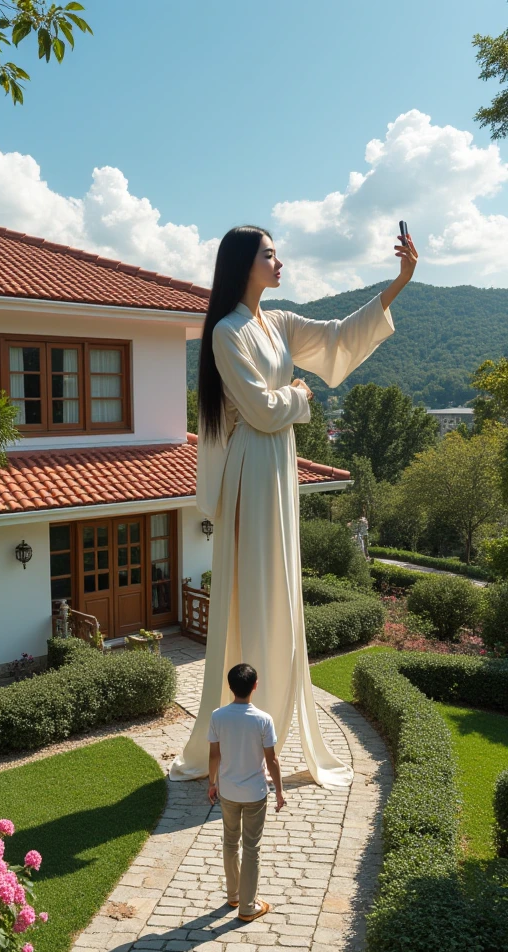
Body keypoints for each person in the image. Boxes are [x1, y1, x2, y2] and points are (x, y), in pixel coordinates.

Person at [170, 224, 418, 788]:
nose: (279, 263)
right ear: (243, 264)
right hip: (252, 469)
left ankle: (270, 720)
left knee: (280, 586)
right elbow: (259, 410)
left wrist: (398, 282)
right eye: (269, 255)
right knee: (257, 588)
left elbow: (337, 337)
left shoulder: (275, 323)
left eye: (277, 254)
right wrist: (301, 396)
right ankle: (245, 727)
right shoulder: (226, 333)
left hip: (275, 466)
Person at [208, 662, 284, 922]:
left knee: (230, 842)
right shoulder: (263, 719)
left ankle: (234, 895)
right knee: (251, 848)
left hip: (228, 791)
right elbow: (272, 760)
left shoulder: (218, 716)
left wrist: (212, 783)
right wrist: (280, 792)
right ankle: (248, 907)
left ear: (230, 687)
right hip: (254, 794)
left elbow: (214, 754)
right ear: (255, 685)